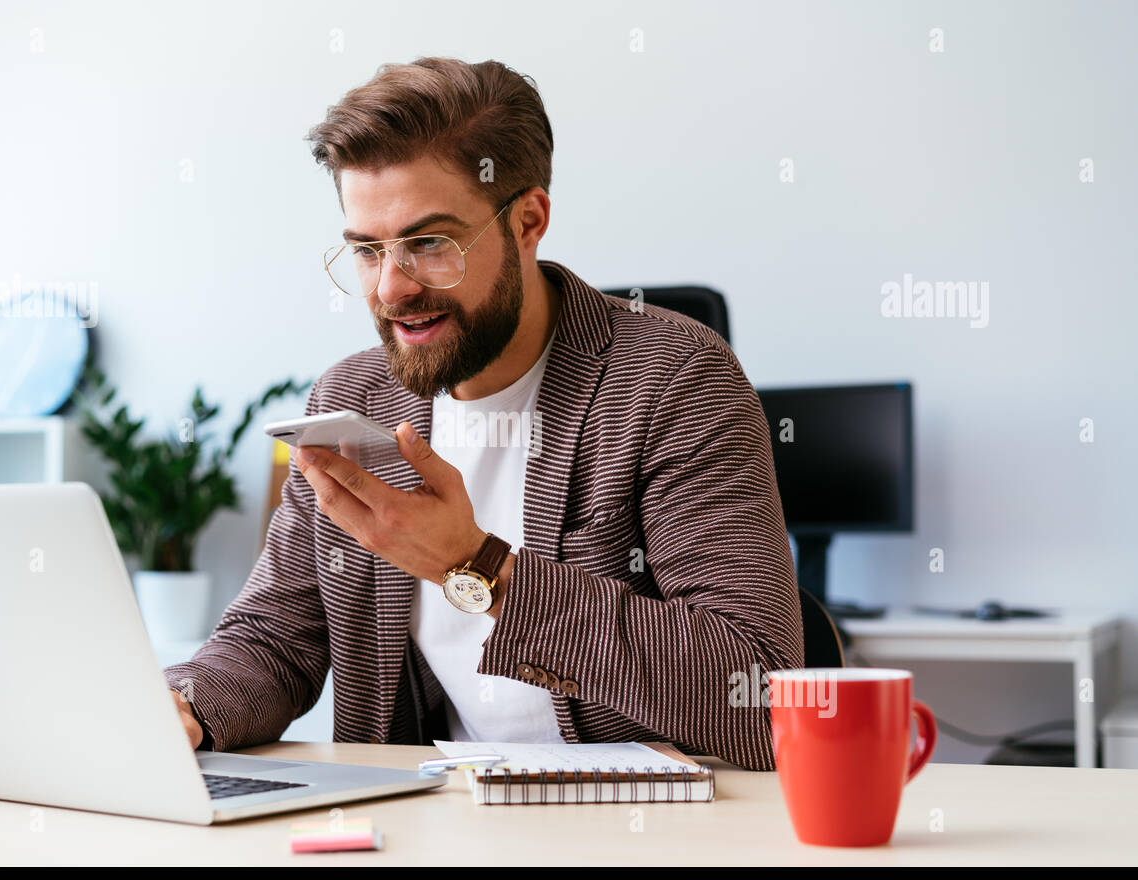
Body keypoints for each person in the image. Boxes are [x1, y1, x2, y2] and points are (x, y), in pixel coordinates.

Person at [165, 56, 801, 770]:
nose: (391, 286)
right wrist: (180, 705)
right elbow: (275, 639)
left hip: (640, 828)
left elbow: (762, 697)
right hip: (431, 822)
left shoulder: (674, 380)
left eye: (431, 243)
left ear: (529, 221)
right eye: (368, 250)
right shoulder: (353, 399)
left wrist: (476, 565)